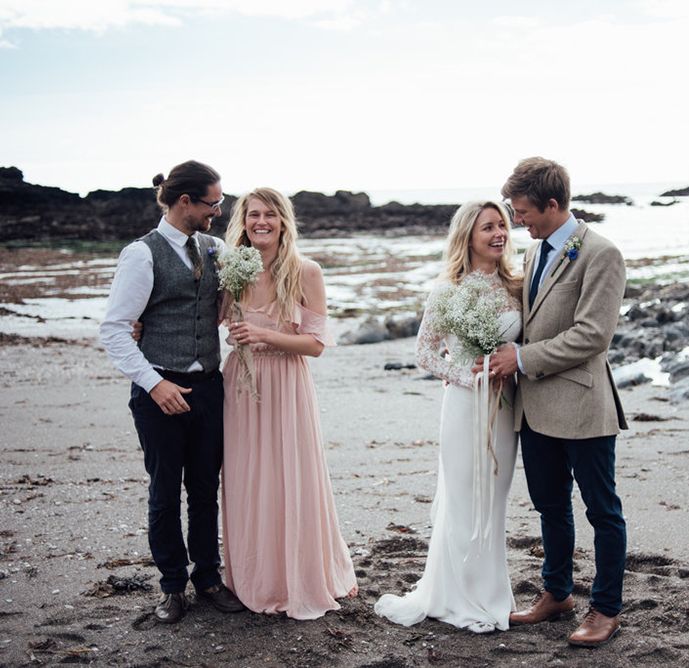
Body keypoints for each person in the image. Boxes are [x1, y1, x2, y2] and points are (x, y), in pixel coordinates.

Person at [489, 157, 628, 647]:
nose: (516, 218)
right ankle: (558, 594)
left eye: (522, 209)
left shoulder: (600, 253)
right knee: (550, 507)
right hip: (535, 408)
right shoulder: (533, 254)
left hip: (584, 407)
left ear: (552, 204)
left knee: (601, 511)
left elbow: (592, 335)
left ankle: (606, 610)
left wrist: (521, 358)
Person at [100, 160, 244, 624]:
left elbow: (239, 297)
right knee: (164, 493)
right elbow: (116, 329)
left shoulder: (216, 248)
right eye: (213, 203)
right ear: (186, 202)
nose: (218, 211)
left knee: (205, 491)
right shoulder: (141, 255)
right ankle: (171, 587)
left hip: (208, 389)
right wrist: (155, 384)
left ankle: (207, 578)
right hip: (158, 391)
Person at [375, 200, 522, 633]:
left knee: (493, 502)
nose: (499, 234)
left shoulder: (516, 286)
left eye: (502, 226)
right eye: (488, 228)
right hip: (463, 406)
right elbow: (424, 351)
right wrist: (466, 376)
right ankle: (453, 594)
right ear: (468, 237)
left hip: (504, 410)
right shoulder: (447, 291)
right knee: (462, 500)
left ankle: (492, 592)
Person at [222, 187, 357, 619]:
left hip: (286, 383)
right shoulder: (231, 269)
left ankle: (299, 577)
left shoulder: (306, 271)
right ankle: (254, 575)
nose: (260, 222)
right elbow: (203, 319)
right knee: (246, 479)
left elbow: (316, 345)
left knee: (291, 477)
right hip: (240, 386)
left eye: (269, 215)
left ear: (283, 221)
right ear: (242, 222)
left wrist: (262, 334)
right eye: (252, 215)